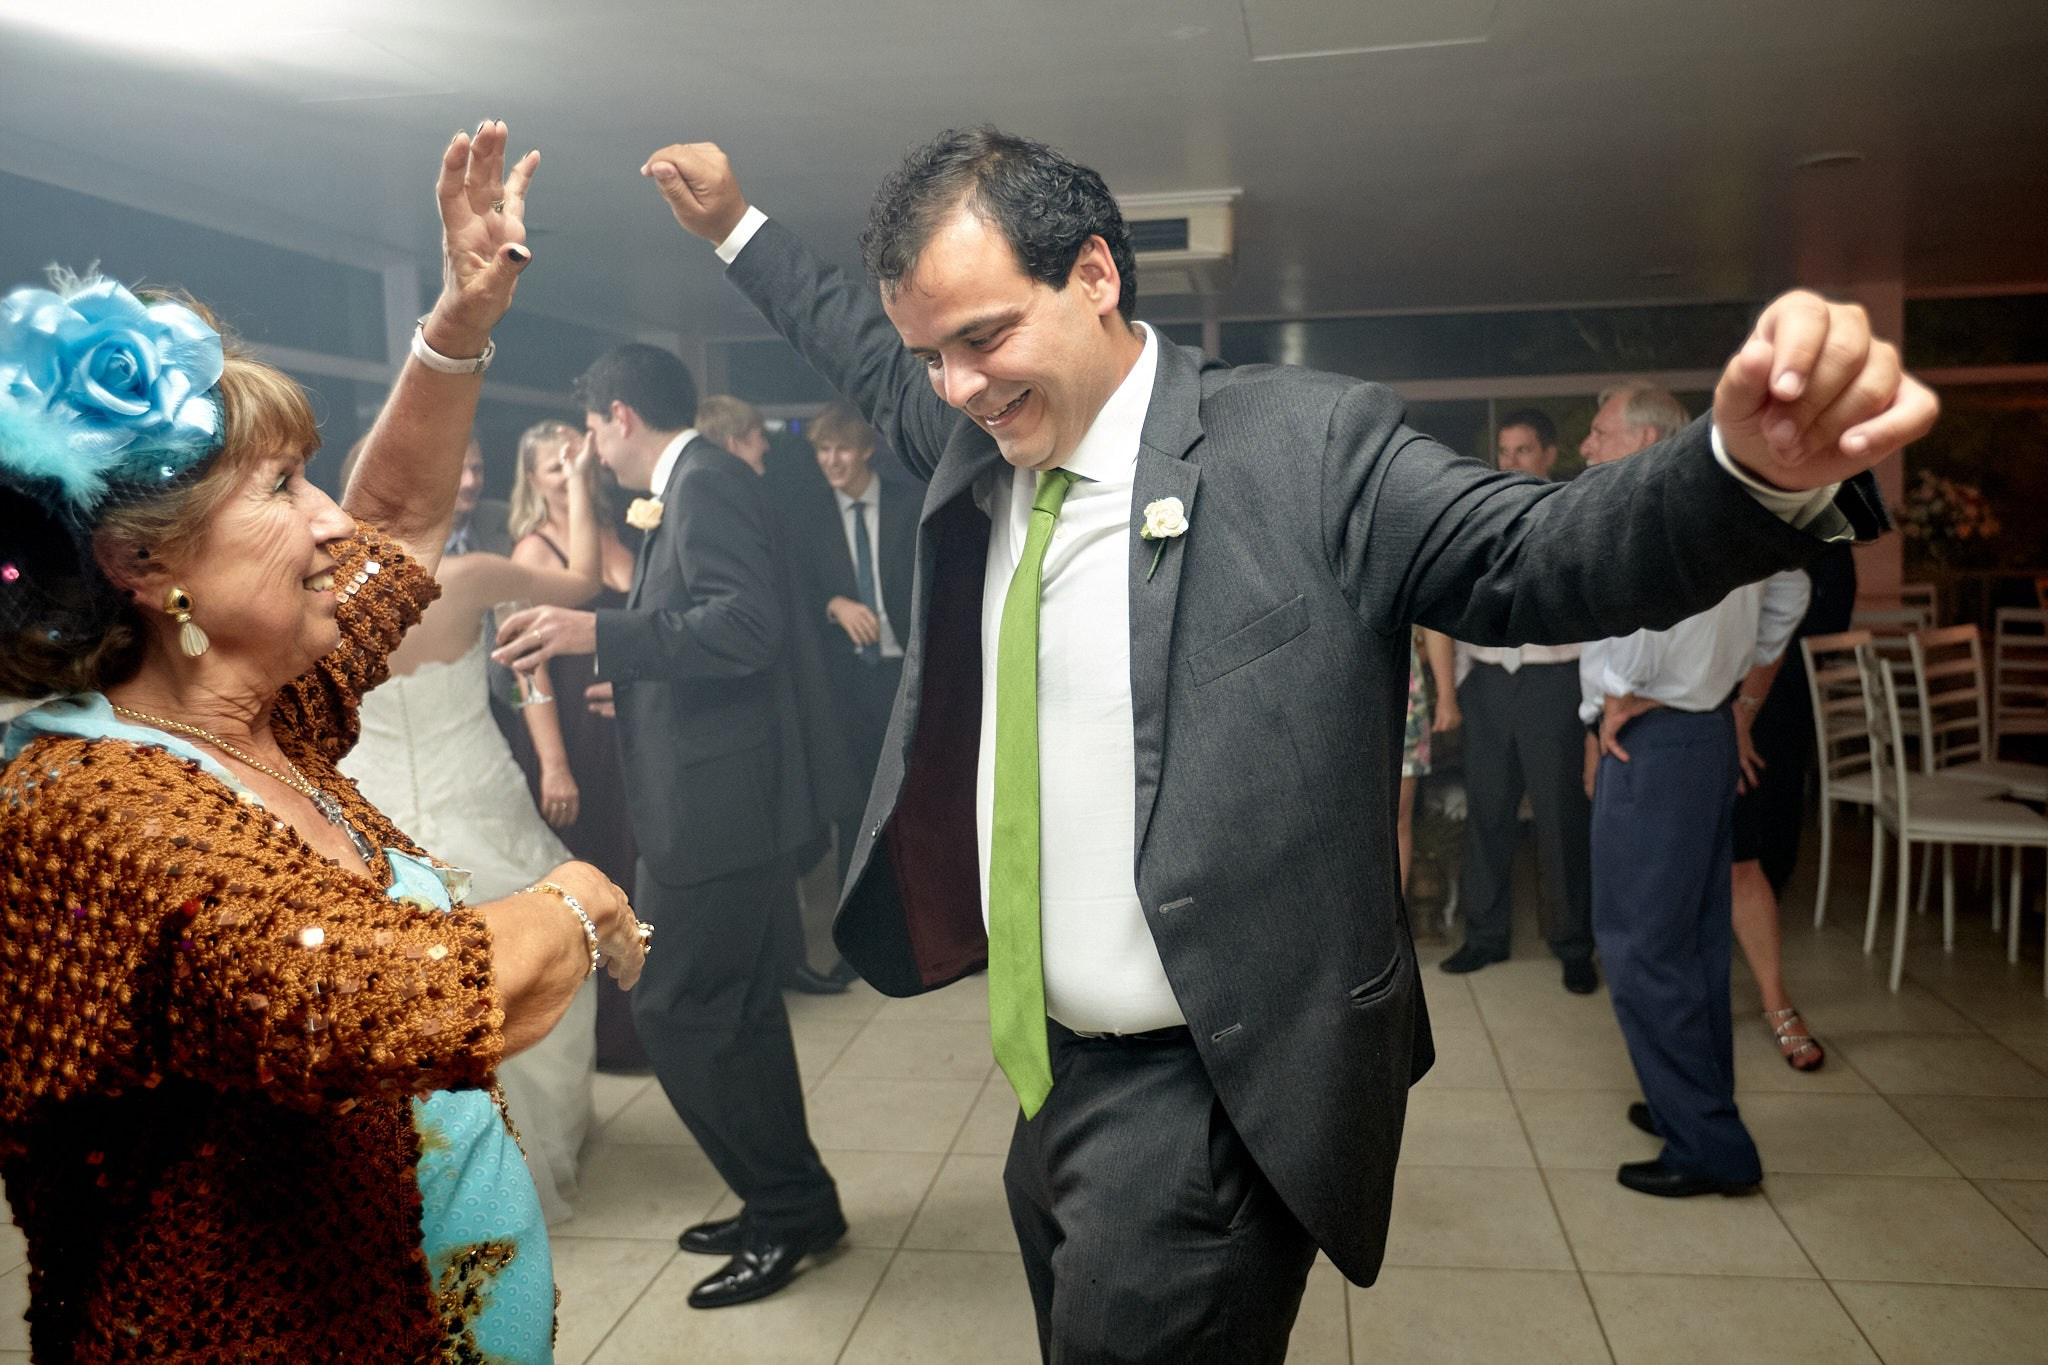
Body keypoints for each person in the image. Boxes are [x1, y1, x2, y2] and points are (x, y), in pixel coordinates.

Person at [638, 127, 1928, 1361]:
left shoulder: (1300, 447)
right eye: (934, 356)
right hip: (1048, 1074)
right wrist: (734, 227)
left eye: (981, 337)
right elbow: (858, 350)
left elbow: (1535, 557)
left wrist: (1743, 475)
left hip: (1211, 1090)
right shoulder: (973, 440)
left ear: (1093, 273)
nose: (955, 386)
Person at [0, 122, 647, 1362]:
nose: (327, 520)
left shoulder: (259, 711)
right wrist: (567, 905)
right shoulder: (83, 800)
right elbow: (360, 1005)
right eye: (285, 487)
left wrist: (455, 325)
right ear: (141, 561)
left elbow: (395, 525)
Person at [494, 346, 845, 1310]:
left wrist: (600, 634)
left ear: (616, 417)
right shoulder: (694, 482)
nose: (596, 451)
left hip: (719, 810)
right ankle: (794, 1200)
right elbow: (706, 633)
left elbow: (746, 626)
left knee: (674, 1009)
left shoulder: (705, 482)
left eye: (594, 431)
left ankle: (787, 1202)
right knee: (734, 1008)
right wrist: (636, 683)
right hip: (711, 793)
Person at [340, 427, 609, 1223]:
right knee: (531, 962)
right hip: (478, 795)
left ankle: (427, 1174)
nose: (468, 485)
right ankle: (529, 1152)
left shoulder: (319, 591)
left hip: (374, 810)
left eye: (478, 469)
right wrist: (578, 484)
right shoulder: (467, 576)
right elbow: (584, 581)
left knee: (404, 998)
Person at [1581, 547, 1810, 1196]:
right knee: (1696, 942)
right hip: (1705, 728)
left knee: (1643, 944)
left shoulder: (1659, 506)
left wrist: (1624, 689)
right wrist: (1735, 699)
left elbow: (1642, 616)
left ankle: (1710, 1144)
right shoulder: (1733, 501)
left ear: (1647, 435)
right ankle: (1682, 1102)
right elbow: (1792, 588)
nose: (1592, 439)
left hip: (1655, 735)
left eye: (1604, 433)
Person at [695, 392, 854, 995]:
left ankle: (783, 961)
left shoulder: (759, 499)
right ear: (734, 442)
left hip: (787, 690)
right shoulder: (720, 508)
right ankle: (772, 967)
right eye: (757, 436)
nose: (767, 445)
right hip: (748, 705)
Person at [505, 419, 649, 1069]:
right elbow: (523, 670)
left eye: (576, 458)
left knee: (639, 871)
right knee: (597, 878)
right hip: (575, 738)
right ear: (533, 481)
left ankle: (645, 1021)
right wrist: (555, 765)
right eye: (554, 466)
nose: (570, 472)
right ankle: (605, 1041)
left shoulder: (625, 533)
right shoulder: (535, 550)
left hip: (634, 729)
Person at [1442, 409, 1598, 992]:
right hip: (1487, 681)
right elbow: (1459, 600)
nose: (1511, 461)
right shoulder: (1480, 518)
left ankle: (1573, 945)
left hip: (1553, 681)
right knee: (1487, 812)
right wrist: (1460, 680)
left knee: (1560, 817)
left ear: (1549, 454)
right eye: (1504, 451)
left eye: (1523, 450)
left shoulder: (1573, 516)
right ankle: (1484, 937)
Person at [1728, 542, 1857, 1069]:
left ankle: (1778, 1006)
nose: (1591, 450)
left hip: (1737, 705)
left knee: (1743, 858)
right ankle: (1686, 1036)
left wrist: (1741, 712)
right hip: (1650, 719)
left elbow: (1795, 596)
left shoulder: (1758, 514)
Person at [793, 402, 918, 899]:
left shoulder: (910, 503)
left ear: (866, 449)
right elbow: (794, 594)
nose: (832, 460)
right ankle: (858, 920)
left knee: (911, 800)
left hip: (906, 675)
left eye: (842, 447)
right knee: (853, 808)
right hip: (842, 683)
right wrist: (833, 604)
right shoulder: (806, 516)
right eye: (823, 449)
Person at [1398, 626, 1459, 892]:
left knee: (1398, 818)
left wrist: (1447, 695)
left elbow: (1433, 627)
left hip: (1403, 694)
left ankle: (1391, 920)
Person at [445, 435, 513, 556]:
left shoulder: (508, 522)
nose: (470, 482)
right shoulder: (404, 543)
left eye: (476, 469)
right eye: (457, 470)